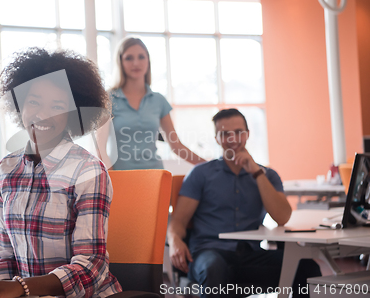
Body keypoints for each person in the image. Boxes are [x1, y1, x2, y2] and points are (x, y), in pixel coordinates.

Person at [0, 48, 122, 298]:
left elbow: (91, 267)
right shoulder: (6, 171)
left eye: (58, 106)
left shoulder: (88, 171)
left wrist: (21, 287)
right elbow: (5, 255)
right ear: (20, 105)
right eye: (34, 102)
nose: (43, 113)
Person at [167, 108, 321, 297]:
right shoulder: (201, 174)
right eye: (225, 134)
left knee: (306, 268)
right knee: (213, 269)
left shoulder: (268, 175)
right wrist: (174, 240)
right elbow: (179, 221)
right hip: (210, 252)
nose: (232, 139)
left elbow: (282, 217)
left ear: (247, 134)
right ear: (217, 138)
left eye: (238, 132)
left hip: (250, 254)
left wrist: (256, 173)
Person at [98, 37, 206, 170]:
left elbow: (176, 146)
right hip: (120, 178)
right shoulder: (108, 99)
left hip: (155, 178)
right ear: (120, 62)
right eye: (129, 58)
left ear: (148, 60)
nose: (136, 63)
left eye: (141, 57)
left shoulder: (159, 100)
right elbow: (100, 149)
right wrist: (114, 180)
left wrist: (211, 166)